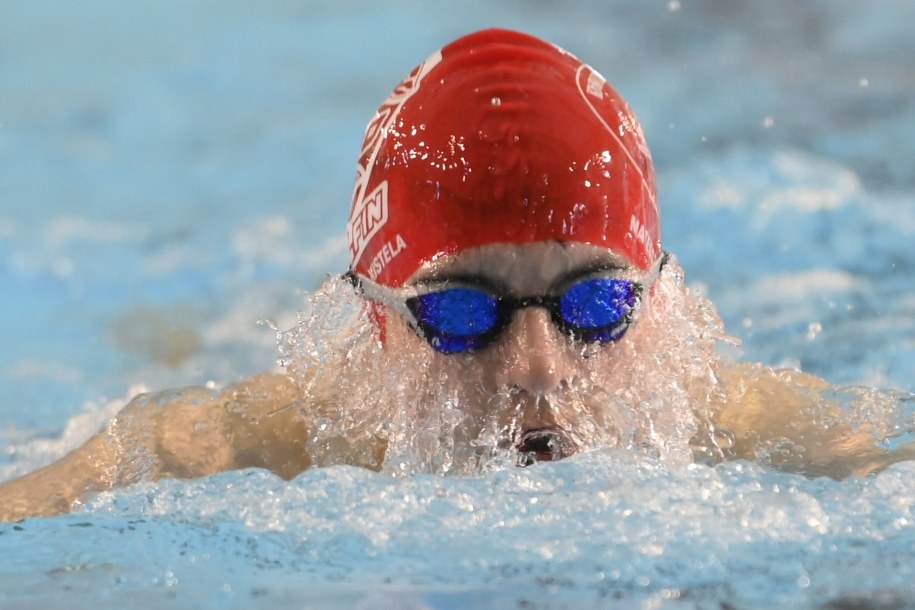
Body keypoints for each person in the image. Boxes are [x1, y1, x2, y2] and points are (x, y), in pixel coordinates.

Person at [1, 28, 910, 522]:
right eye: (463, 313)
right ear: (379, 324)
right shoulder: (257, 454)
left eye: (596, 304)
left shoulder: (732, 429)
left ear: (657, 302)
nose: (538, 366)